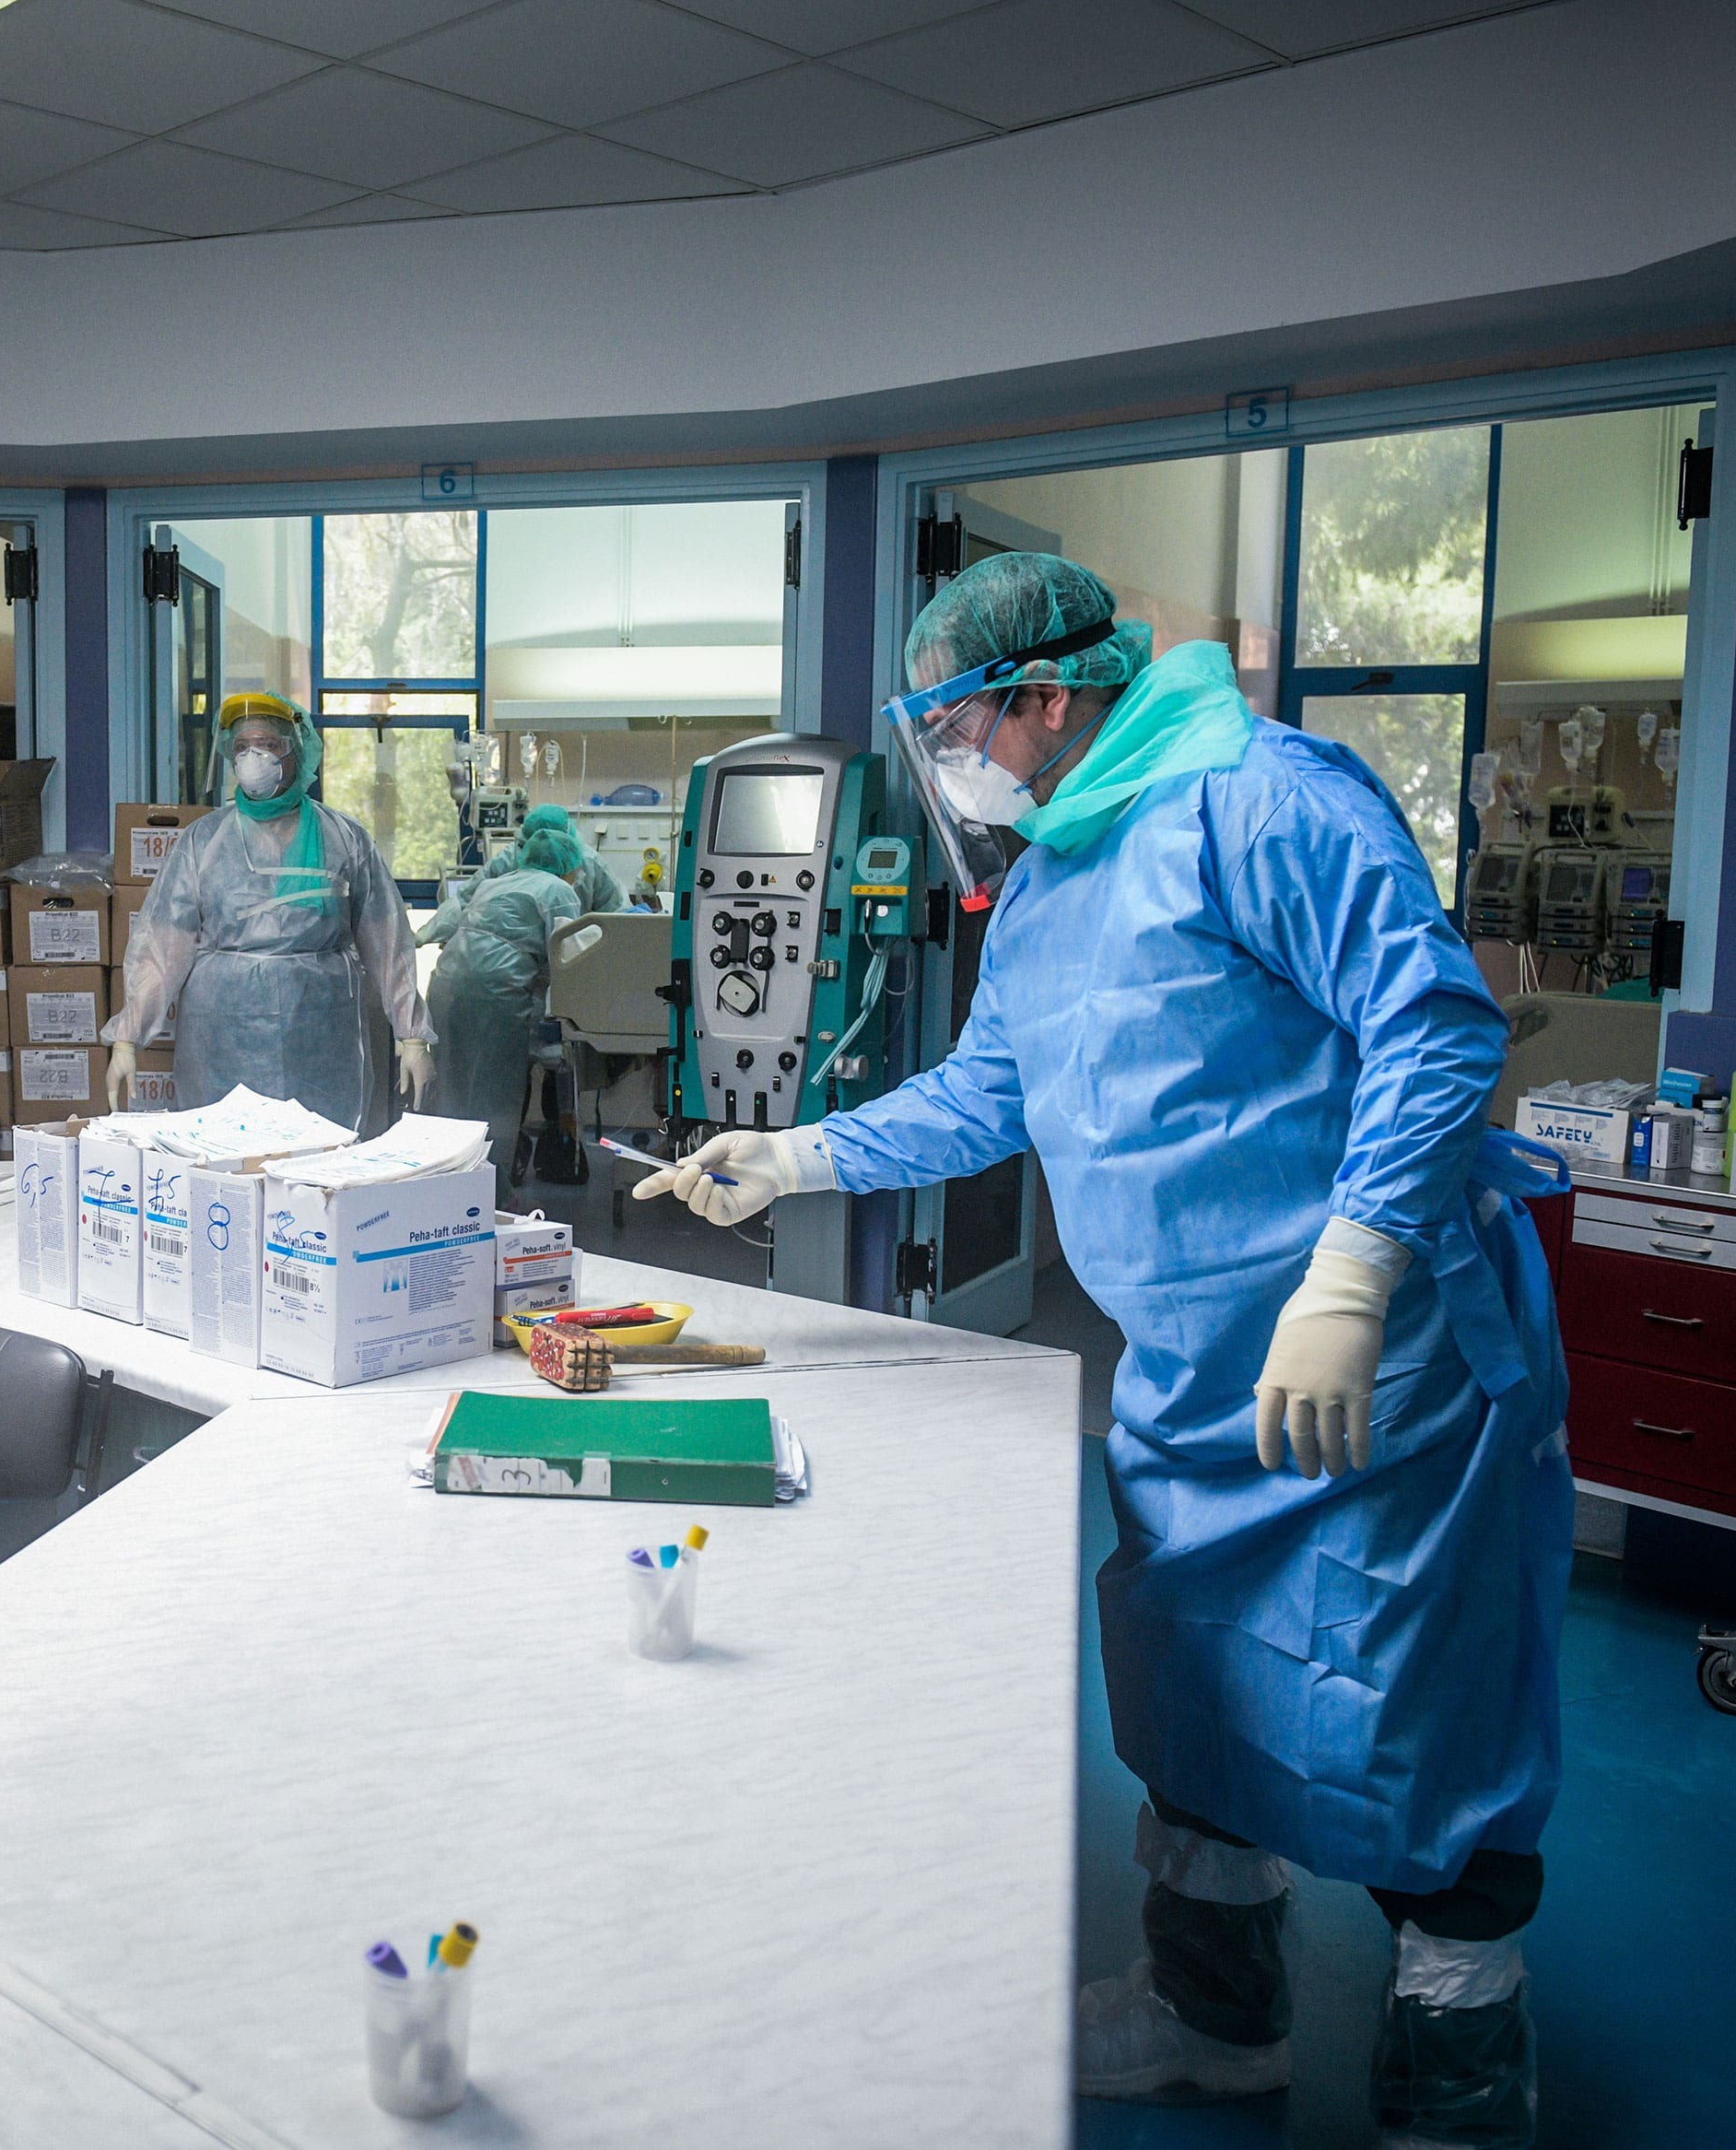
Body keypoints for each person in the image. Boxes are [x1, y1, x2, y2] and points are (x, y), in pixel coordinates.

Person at [636, 555, 1570, 2150]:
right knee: (1193, 1687)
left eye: (954, 725)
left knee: (1414, 1715)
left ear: (1046, 696)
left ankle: (1459, 2078)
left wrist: (1353, 1270)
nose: (950, 761)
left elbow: (1434, 1024)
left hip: (1376, 1373)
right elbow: (988, 1092)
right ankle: (1216, 2017)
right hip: (1190, 1381)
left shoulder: (1262, 802)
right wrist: (798, 1154)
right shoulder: (1054, 878)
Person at [105, 693, 431, 1129]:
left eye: (267, 745)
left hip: (320, 1029)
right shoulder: (204, 841)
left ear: (298, 750)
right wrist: (127, 1038)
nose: (252, 758)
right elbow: (162, 950)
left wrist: (412, 1034)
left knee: (319, 1150)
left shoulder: (344, 839)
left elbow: (386, 941)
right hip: (223, 1033)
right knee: (223, 1150)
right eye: (242, 747)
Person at [418, 824, 587, 1160]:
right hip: (496, 994)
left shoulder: (494, 883)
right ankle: (492, 1185)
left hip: (447, 987)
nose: (579, 875)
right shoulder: (558, 891)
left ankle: (444, 1178)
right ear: (568, 866)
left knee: (450, 1091)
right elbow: (571, 958)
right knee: (495, 1096)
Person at [416, 802, 626, 948]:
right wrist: (424, 935)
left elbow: (617, 917)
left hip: (557, 961)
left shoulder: (589, 864)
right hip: (518, 965)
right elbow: (463, 902)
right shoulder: (510, 861)